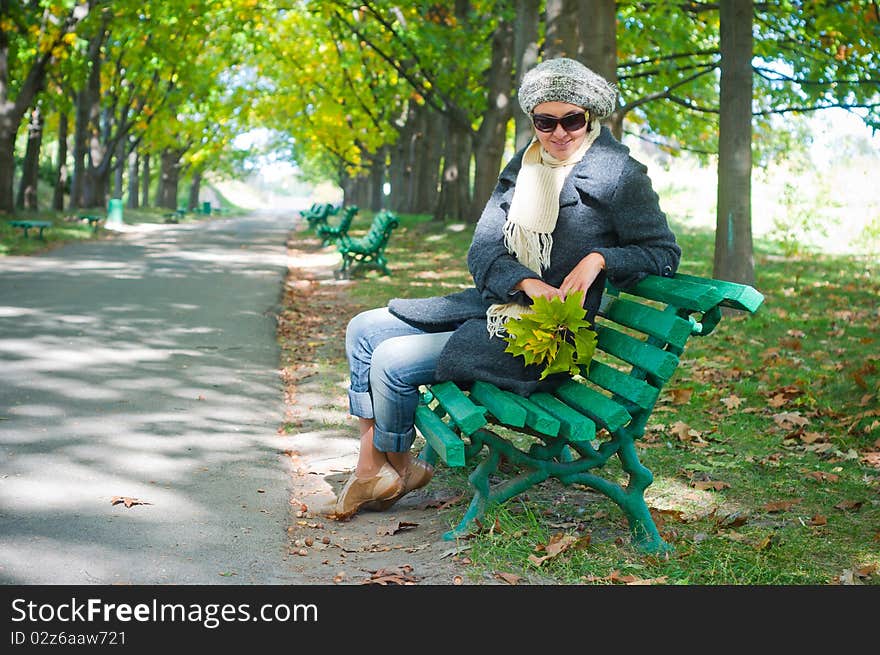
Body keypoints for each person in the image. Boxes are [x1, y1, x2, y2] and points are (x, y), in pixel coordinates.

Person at [330, 57, 681, 520]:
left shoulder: (620, 174)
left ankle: (385, 467)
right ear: (533, 121)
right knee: (363, 328)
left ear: (590, 116)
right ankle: (384, 465)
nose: (558, 133)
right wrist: (524, 280)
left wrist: (600, 259)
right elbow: (482, 250)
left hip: (540, 339)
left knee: (393, 360)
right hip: (497, 305)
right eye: (545, 121)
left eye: (571, 120)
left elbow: (663, 253)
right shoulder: (526, 163)